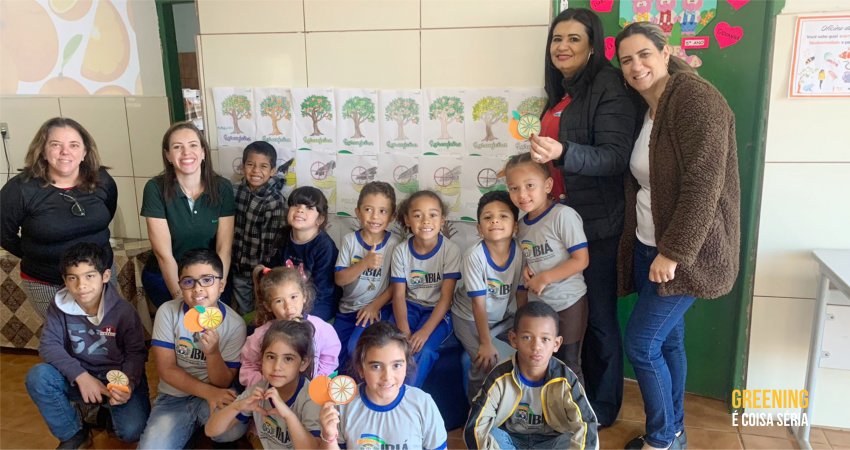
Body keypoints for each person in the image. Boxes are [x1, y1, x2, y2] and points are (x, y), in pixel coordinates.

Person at [615, 22, 740, 450]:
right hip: (652, 242)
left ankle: (662, 437)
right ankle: (676, 430)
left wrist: (673, 253)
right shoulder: (648, 107)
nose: (636, 66)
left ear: (665, 53)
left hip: (684, 251)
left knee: (642, 343)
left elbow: (704, 183)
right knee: (668, 342)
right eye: (627, 59)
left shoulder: (695, 99)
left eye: (644, 54)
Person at [528, 7, 638, 427]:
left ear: (594, 45)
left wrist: (563, 152)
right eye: (558, 39)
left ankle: (603, 408)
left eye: (574, 38)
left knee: (599, 319)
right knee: (561, 315)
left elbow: (615, 157)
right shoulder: (562, 90)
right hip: (555, 221)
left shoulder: (608, 86)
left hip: (595, 225)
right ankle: (562, 396)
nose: (563, 46)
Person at [25, 243, 149, 449]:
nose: (81, 285)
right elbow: (48, 345)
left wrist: (127, 385)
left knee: (132, 431)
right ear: (65, 280)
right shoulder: (59, 307)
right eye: (73, 278)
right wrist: (81, 376)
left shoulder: (124, 311)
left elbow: (136, 354)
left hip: (117, 379)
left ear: (106, 276)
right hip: (81, 376)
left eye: (90, 276)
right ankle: (74, 433)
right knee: (39, 376)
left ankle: (107, 410)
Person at [1, 117, 117, 318]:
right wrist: (38, 254)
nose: (66, 152)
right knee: (64, 341)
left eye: (74, 145)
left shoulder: (102, 180)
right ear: (43, 151)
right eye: (56, 145)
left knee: (108, 334)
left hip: (99, 276)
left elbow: (107, 214)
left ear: (85, 152)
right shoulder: (20, 189)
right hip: (47, 282)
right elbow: (3, 234)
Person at [139, 248, 247, 449]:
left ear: (221, 285)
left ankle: (193, 429)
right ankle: (185, 429)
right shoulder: (168, 312)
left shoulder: (235, 324)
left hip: (217, 391)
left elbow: (224, 382)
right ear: (180, 286)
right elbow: (166, 370)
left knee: (232, 431)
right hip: (174, 396)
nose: (197, 289)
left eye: (207, 280)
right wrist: (209, 393)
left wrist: (213, 353)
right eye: (188, 282)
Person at [464, 302, 598, 449]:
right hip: (511, 440)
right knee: (491, 434)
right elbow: (475, 425)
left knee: (575, 437)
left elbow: (586, 423)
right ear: (513, 339)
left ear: (556, 343)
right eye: (527, 337)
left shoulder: (566, 379)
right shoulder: (499, 377)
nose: (536, 347)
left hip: (551, 442)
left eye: (545, 339)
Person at [505, 153, 590, 383]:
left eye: (530, 186)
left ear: (548, 185)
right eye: (514, 188)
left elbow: (581, 260)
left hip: (568, 303)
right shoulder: (521, 226)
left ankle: (577, 418)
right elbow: (528, 261)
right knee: (539, 364)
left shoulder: (563, 216)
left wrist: (545, 278)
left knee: (568, 364)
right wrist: (526, 271)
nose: (522, 195)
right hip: (539, 309)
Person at [140, 122, 235, 308]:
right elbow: (163, 254)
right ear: (167, 155)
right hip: (168, 277)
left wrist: (215, 289)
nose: (186, 153)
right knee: (180, 329)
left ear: (203, 152)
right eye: (177, 147)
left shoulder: (222, 187)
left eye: (193, 145)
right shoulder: (155, 189)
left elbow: (224, 247)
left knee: (216, 331)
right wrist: (181, 298)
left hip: (210, 277)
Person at [318, 321, 447, 449]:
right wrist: (329, 437)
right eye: (376, 366)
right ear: (361, 369)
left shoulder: (423, 403)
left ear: (406, 365)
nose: (387, 377)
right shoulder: (344, 406)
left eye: (396, 365)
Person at [207, 320, 321, 448]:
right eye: (271, 357)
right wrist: (237, 406)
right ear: (262, 358)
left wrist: (288, 415)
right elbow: (211, 431)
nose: (277, 367)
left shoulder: (311, 399)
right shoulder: (259, 389)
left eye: (288, 359)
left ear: (303, 363)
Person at [451, 191, 520, 400]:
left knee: (527, 348)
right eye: (488, 217)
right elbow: (477, 305)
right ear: (479, 229)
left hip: (501, 317)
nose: (495, 221)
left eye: (503, 216)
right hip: (469, 318)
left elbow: (523, 295)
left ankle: (517, 408)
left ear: (515, 226)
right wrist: (486, 343)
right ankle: (476, 412)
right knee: (484, 361)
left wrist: (522, 327)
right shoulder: (474, 256)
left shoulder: (521, 253)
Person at [390, 190, 461, 387]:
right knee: (396, 345)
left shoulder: (451, 250)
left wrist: (425, 332)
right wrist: (404, 329)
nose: (426, 221)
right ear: (407, 220)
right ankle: (389, 393)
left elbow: (446, 298)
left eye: (432, 214)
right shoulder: (401, 251)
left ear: (442, 219)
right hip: (409, 307)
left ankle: (408, 396)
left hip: (437, 311)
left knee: (426, 350)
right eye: (417, 215)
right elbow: (398, 295)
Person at [333, 181, 401, 372]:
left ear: (392, 216)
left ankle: (359, 389)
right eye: (368, 209)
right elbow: (340, 279)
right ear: (358, 212)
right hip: (347, 310)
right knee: (335, 351)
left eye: (382, 211)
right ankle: (340, 392)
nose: (374, 217)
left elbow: (396, 285)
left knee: (356, 347)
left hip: (376, 311)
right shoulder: (349, 241)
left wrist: (374, 306)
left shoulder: (395, 244)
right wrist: (365, 263)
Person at [240, 265, 340, 386]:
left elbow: (329, 360)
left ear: (304, 296)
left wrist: (314, 383)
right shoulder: (260, 335)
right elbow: (249, 367)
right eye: (279, 301)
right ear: (267, 306)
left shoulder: (323, 330)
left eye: (293, 297)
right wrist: (265, 385)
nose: (288, 306)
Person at [231, 141, 287, 315]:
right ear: (242, 167)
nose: (256, 171)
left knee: (261, 312)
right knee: (243, 312)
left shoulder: (274, 201)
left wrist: (262, 273)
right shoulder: (236, 191)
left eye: (263, 166)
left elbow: (272, 244)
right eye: (250, 164)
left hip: (260, 272)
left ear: (272, 171)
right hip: (238, 267)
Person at [270, 186, 341, 320]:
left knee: (297, 327)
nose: (300, 210)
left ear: (319, 219)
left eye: (309, 207)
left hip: (319, 302)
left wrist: (297, 311)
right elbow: (274, 273)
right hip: (288, 298)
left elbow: (323, 292)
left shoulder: (324, 246)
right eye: (296, 205)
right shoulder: (282, 236)